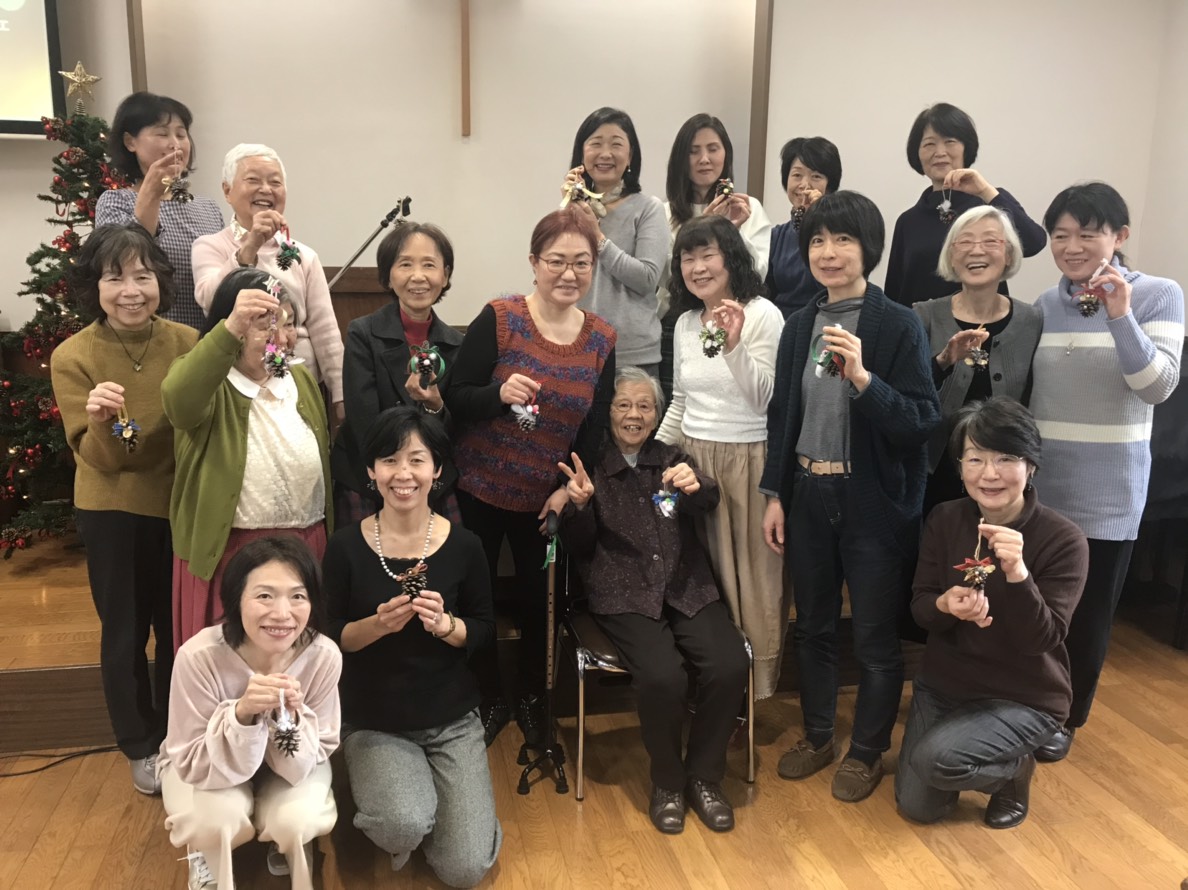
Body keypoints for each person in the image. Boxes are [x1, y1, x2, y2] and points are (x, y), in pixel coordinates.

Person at [760, 190, 940, 802]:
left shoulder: (899, 324)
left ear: (869, 248)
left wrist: (865, 379)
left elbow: (920, 421)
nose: (828, 252)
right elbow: (783, 417)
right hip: (807, 493)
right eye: (817, 240)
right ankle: (818, 737)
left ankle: (866, 752)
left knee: (873, 638)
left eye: (842, 239)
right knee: (812, 628)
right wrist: (775, 493)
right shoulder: (798, 325)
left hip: (871, 502)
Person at [446, 207, 616, 748]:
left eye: (581, 263)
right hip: (477, 491)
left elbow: (594, 429)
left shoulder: (601, 339)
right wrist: (498, 395)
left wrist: (568, 489)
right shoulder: (501, 317)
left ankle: (533, 698)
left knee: (541, 602)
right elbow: (456, 397)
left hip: (545, 502)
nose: (569, 273)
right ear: (534, 262)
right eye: (557, 261)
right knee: (475, 598)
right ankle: (487, 697)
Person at [1028, 182, 1184, 762]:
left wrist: (1120, 315)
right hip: (1043, 488)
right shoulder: (1045, 304)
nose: (1072, 247)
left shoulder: (1159, 294)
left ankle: (1066, 716)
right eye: (1060, 235)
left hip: (1108, 492)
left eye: (1087, 234)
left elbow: (1157, 387)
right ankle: (1028, 701)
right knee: (1036, 606)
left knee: (1087, 614)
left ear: (1119, 237)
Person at [559, 367, 749, 835]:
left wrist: (696, 483)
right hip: (623, 592)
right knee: (664, 677)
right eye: (624, 404)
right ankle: (667, 783)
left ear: (657, 414)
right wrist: (578, 506)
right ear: (608, 413)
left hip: (686, 587)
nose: (634, 414)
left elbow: (707, 500)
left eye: (644, 406)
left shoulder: (671, 458)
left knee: (729, 664)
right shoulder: (592, 466)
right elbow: (578, 546)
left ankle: (704, 777)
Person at [324, 407, 501, 888]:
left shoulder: (465, 545)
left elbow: (484, 629)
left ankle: (437, 811)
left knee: (465, 870)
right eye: (389, 460)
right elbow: (330, 636)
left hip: (452, 718)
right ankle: (406, 809)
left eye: (417, 460)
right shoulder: (344, 547)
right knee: (400, 824)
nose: (403, 474)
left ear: (437, 470)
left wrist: (446, 625)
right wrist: (376, 626)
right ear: (371, 471)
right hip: (374, 720)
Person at [50, 224, 198, 794]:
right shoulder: (73, 356)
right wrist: (105, 423)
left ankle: (182, 734)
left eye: (143, 275)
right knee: (126, 629)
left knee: (180, 626)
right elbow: (107, 460)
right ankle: (140, 743)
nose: (131, 291)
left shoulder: (187, 343)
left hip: (180, 505)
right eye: (115, 278)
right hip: (113, 509)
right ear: (95, 286)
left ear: (161, 280)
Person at [896, 397, 1088, 829]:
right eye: (975, 459)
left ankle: (1014, 773)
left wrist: (1019, 574)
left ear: (1030, 465)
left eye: (1005, 458)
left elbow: (1041, 639)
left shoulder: (1064, 540)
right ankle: (990, 761)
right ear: (960, 467)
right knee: (918, 806)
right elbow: (921, 607)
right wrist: (944, 604)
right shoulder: (945, 519)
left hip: (1024, 695)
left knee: (934, 760)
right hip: (946, 684)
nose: (989, 473)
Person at [163, 267, 332, 650]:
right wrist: (231, 327)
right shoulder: (209, 380)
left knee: (297, 660)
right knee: (232, 664)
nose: (282, 338)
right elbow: (179, 402)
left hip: (305, 545)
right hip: (231, 551)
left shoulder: (300, 380)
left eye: (288, 324)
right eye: (265, 326)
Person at [159, 536, 341, 890]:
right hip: (205, 768)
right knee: (214, 820)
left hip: (289, 769)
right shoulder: (198, 657)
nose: (282, 614)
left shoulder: (323, 655)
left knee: (298, 818)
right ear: (235, 599)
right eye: (264, 596)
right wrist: (242, 715)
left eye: (298, 596)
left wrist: (287, 720)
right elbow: (190, 757)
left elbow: (320, 748)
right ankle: (206, 850)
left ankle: (285, 839)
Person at [655, 214, 786, 697]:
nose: (697, 267)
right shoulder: (684, 323)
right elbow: (681, 401)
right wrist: (656, 458)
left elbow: (766, 400)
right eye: (687, 258)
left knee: (752, 582)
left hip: (748, 461)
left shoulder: (763, 314)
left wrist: (734, 347)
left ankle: (750, 692)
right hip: (692, 462)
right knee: (699, 579)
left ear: (731, 258)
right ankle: (709, 688)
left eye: (708, 254)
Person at [192, 143, 344, 426]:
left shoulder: (303, 255)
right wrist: (249, 246)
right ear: (227, 190)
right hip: (234, 385)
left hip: (298, 381)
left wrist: (340, 395)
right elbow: (210, 300)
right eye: (253, 180)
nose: (266, 189)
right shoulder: (209, 246)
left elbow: (326, 331)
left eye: (275, 182)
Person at [331, 221, 463, 528]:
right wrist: (399, 474)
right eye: (405, 264)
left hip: (430, 480)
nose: (418, 276)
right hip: (368, 476)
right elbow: (363, 422)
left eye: (429, 265)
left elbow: (457, 429)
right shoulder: (363, 333)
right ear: (388, 275)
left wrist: (435, 406)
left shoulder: (456, 344)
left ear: (445, 275)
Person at [914, 206, 1042, 515]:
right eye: (965, 241)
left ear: (1008, 254)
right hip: (933, 472)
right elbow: (907, 395)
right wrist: (943, 361)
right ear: (951, 255)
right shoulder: (923, 316)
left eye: (989, 241)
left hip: (1003, 475)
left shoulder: (1032, 320)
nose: (976, 250)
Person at [658, 113, 772, 401]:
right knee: (680, 400)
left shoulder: (748, 207)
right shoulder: (665, 212)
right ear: (681, 158)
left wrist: (731, 231)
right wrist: (700, 229)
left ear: (726, 154)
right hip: (680, 317)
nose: (704, 159)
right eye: (694, 151)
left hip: (735, 319)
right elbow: (665, 275)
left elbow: (758, 273)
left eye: (713, 149)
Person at [885, 103, 1047, 306]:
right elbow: (894, 293)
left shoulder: (990, 205)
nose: (940, 152)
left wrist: (985, 190)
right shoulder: (908, 221)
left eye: (950, 141)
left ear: (966, 148)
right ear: (917, 153)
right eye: (929, 144)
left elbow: (1034, 243)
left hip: (984, 322)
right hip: (919, 325)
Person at [97, 92, 224, 330]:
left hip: (208, 340)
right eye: (162, 134)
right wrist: (151, 193)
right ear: (130, 142)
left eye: (181, 134)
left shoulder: (208, 208)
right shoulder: (115, 202)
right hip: (149, 339)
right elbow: (123, 265)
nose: (175, 144)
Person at [561, 107, 668, 375]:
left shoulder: (648, 208)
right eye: (596, 144)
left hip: (633, 355)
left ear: (630, 156)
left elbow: (647, 279)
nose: (605, 153)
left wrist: (597, 237)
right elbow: (557, 276)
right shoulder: (571, 209)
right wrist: (567, 212)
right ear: (582, 154)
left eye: (616, 144)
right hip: (578, 349)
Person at [766, 136, 841, 318]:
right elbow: (765, 294)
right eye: (797, 175)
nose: (805, 185)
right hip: (781, 325)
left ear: (829, 185)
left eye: (816, 176)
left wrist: (820, 218)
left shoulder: (843, 233)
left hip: (826, 322)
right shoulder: (776, 236)